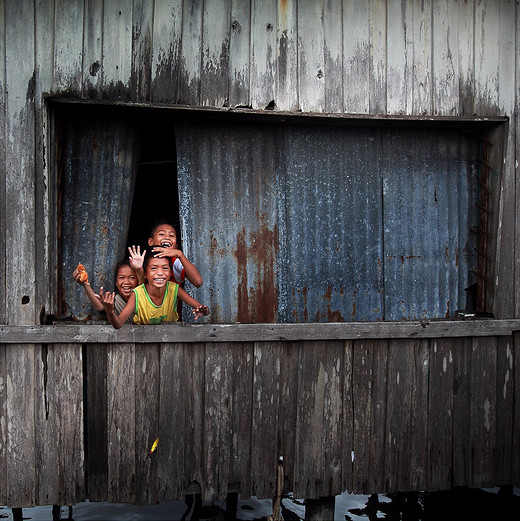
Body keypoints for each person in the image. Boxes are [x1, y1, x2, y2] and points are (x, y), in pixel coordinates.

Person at [99, 255, 209, 329]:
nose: (160, 273)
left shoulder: (174, 289)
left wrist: (204, 310)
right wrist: (110, 311)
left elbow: (202, 308)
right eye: (154, 268)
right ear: (145, 275)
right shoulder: (137, 293)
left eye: (165, 268)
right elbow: (118, 324)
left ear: (170, 274)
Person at [72, 246, 144, 322]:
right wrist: (85, 284)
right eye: (121, 277)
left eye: (132, 278)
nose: (126, 282)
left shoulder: (143, 296)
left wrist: (139, 269)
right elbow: (100, 306)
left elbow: (142, 285)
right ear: (116, 282)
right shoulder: (115, 300)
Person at [134, 220, 203, 288]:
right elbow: (142, 290)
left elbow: (198, 282)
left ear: (176, 245)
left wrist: (180, 254)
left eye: (172, 235)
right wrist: (139, 270)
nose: (167, 237)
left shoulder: (176, 262)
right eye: (161, 234)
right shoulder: (142, 260)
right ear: (150, 242)